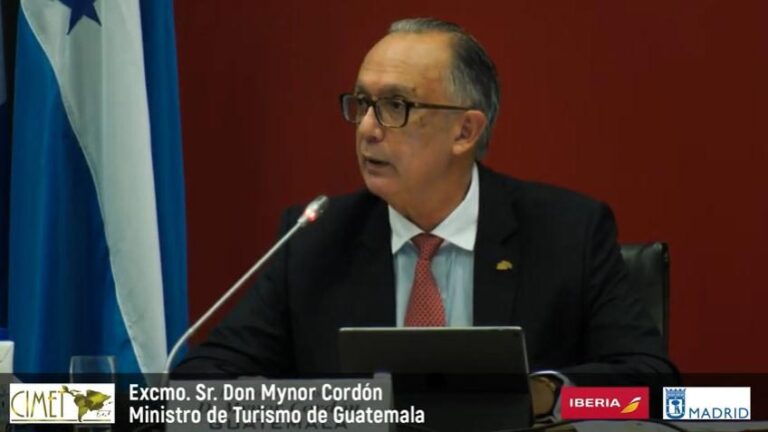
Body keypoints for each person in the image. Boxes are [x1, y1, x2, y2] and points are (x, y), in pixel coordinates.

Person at [175, 17, 676, 418]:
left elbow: (651, 389)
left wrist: (548, 396)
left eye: (395, 105)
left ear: (465, 131)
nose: (367, 128)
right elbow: (200, 383)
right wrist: (331, 408)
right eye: (362, 104)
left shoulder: (568, 233)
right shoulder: (316, 239)